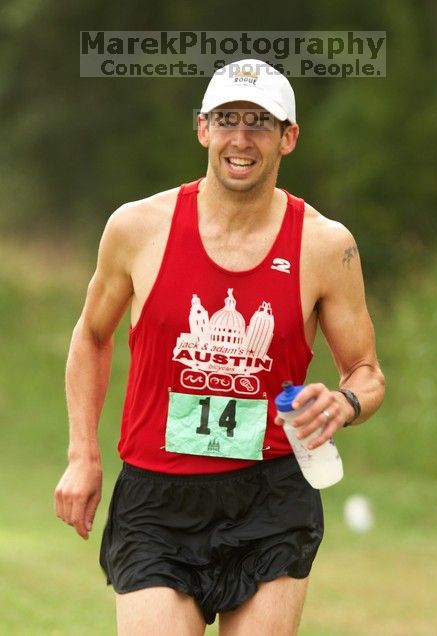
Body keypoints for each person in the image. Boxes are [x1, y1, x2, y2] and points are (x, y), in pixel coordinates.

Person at [55, 58, 385, 636]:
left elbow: (366, 372)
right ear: (202, 128)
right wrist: (83, 454)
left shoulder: (325, 246)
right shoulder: (137, 228)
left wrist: (344, 404)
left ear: (289, 137)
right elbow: (92, 334)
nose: (241, 138)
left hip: (271, 497)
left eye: (259, 122)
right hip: (157, 499)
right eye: (227, 119)